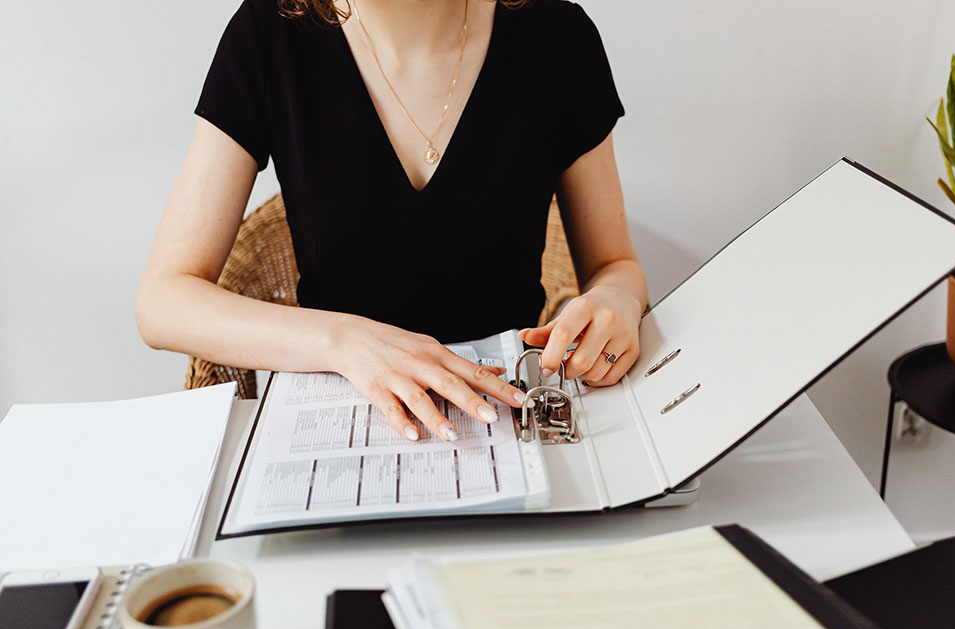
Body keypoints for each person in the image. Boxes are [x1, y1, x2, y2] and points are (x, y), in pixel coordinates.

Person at [135, 0, 648, 443]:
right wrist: (343, 342)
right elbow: (163, 301)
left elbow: (614, 263)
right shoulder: (269, 33)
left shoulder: (558, 37)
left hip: (507, 417)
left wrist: (616, 299)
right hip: (339, 420)